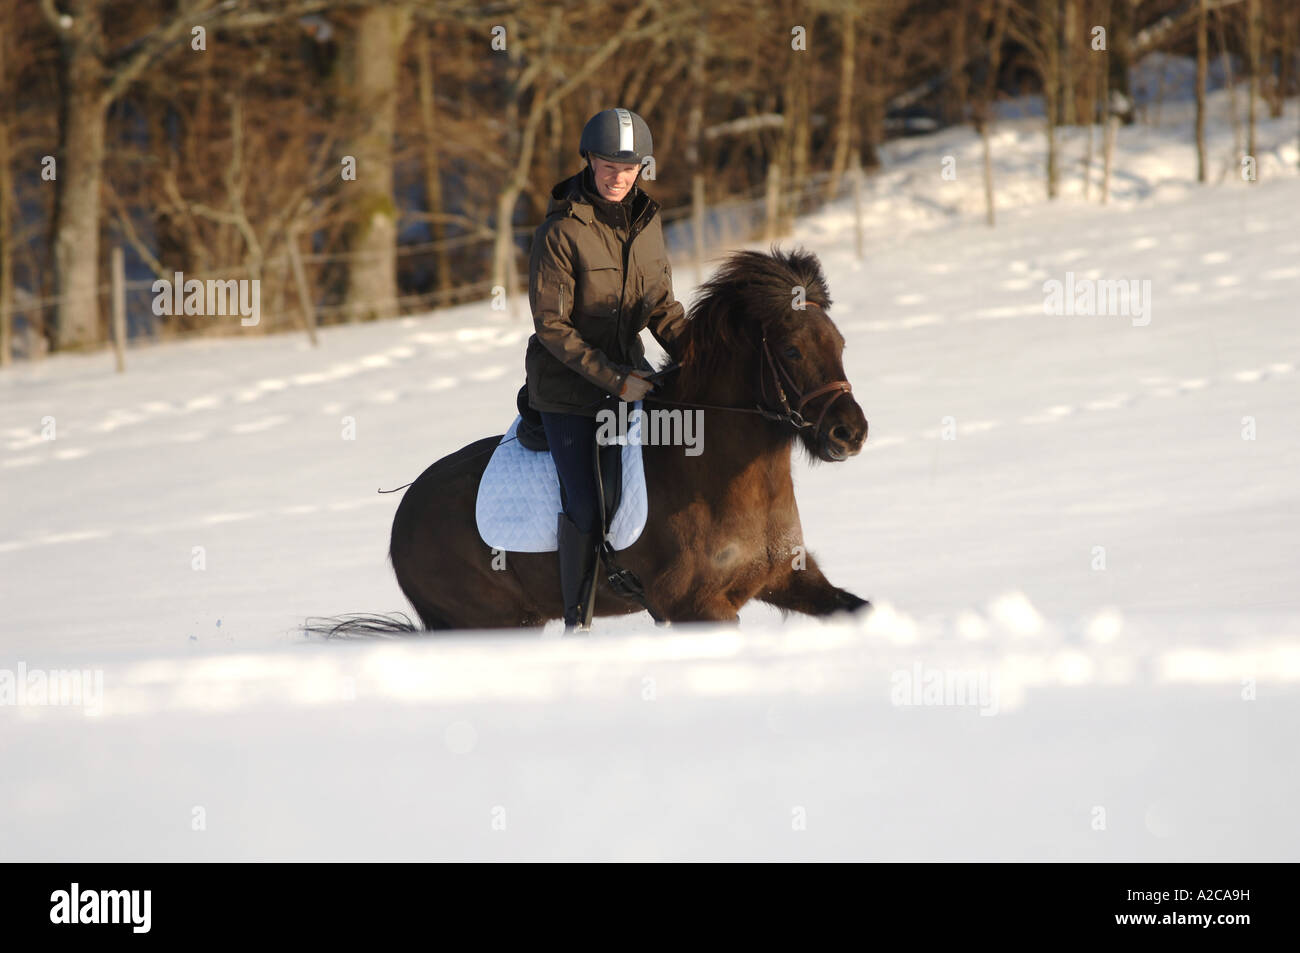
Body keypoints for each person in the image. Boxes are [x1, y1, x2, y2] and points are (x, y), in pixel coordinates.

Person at [525, 107, 687, 633]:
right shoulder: (559, 232)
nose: (619, 177)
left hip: (632, 380)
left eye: (630, 167)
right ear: (588, 160)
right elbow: (553, 327)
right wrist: (616, 379)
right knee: (589, 504)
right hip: (568, 392)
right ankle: (579, 620)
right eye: (608, 165)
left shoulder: (648, 221)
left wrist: (701, 353)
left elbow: (661, 305)